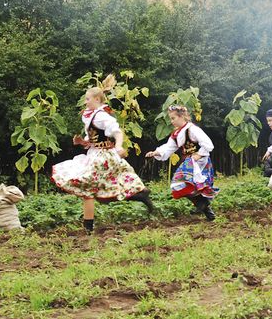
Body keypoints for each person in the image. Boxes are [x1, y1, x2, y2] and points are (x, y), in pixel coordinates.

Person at [52, 80, 155, 233]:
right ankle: (140, 195)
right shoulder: (90, 116)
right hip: (94, 154)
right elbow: (94, 139)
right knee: (102, 188)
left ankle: (88, 228)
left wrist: (119, 146)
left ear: (97, 99)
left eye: (88, 99)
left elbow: (117, 132)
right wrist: (82, 142)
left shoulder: (102, 116)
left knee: (87, 186)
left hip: (104, 156)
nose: (85, 102)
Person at [145, 105, 217, 221]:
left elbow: (207, 143)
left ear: (182, 116)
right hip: (189, 162)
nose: (171, 121)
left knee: (182, 183)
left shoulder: (192, 129)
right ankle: (206, 208)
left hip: (200, 162)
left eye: (173, 118)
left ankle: (203, 204)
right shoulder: (176, 134)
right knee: (184, 186)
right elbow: (169, 147)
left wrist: (199, 154)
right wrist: (156, 152)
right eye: (171, 119)